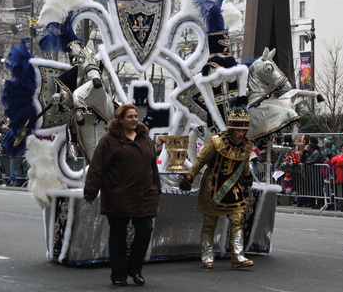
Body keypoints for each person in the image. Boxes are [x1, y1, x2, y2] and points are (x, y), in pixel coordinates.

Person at [84, 104, 161, 287]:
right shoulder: (109, 141)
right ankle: (119, 274)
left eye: (136, 116)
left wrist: (156, 188)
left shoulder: (145, 139)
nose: (134, 119)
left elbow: (153, 167)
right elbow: (97, 167)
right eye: (130, 117)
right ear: (120, 120)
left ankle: (135, 269)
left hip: (144, 196)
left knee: (146, 230)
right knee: (118, 236)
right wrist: (91, 191)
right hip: (118, 196)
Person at [179, 98, 255, 270]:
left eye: (243, 130)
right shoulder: (216, 142)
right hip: (212, 187)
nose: (241, 134)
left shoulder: (247, 145)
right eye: (238, 130)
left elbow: (244, 163)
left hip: (233, 188)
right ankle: (207, 255)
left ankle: (238, 256)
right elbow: (200, 160)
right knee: (209, 222)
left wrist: (248, 177)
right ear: (231, 128)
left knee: (238, 219)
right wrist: (189, 177)